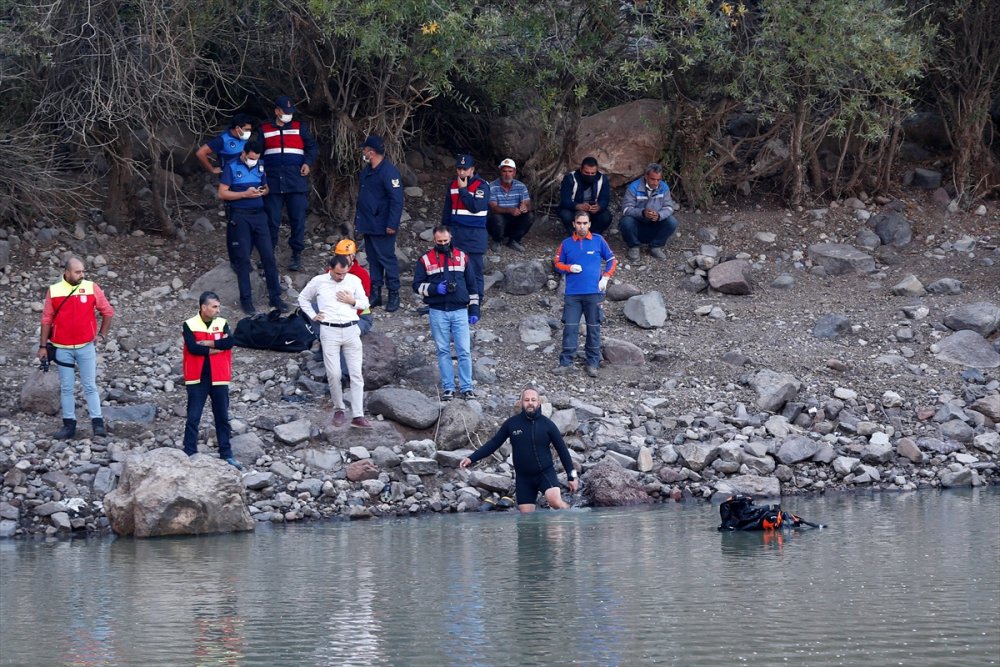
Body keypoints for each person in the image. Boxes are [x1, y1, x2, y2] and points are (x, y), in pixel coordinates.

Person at [460, 388, 578, 513]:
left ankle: (572, 520)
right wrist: (471, 458)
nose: (530, 403)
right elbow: (494, 444)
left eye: (533, 400)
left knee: (554, 501)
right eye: (527, 400)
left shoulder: (548, 425)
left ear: (539, 402)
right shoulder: (512, 424)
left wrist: (572, 477)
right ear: (521, 402)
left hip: (545, 473)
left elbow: (563, 451)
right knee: (526, 519)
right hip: (523, 478)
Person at [37, 256, 115, 439]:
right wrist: (42, 346)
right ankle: (69, 425)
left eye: (83, 271)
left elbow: (108, 311)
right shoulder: (54, 290)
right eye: (77, 271)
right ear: (67, 272)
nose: (82, 274)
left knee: (90, 385)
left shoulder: (91, 287)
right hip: (61, 348)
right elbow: (46, 319)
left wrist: (101, 335)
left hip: (86, 347)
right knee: (67, 387)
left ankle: (98, 424)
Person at [298, 255, 373, 429]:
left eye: (344, 273)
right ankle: (339, 408)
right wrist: (312, 315)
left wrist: (352, 301)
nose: (341, 277)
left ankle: (358, 414)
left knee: (356, 374)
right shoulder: (319, 281)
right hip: (329, 329)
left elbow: (365, 302)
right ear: (330, 269)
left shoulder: (353, 280)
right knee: (334, 373)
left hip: (351, 328)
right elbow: (303, 298)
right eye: (338, 273)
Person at [218, 140, 287, 315]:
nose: (253, 161)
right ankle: (246, 300)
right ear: (243, 153)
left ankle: (275, 297)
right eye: (250, 158)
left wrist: (264, 191)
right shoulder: (232, 167)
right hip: (240, 216)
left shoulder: (260, 166)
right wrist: (244, 194)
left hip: (259, 215)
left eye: (256, 158)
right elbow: (222, 193)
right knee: (242, 259)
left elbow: (267, 187)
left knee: (268, 257)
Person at [413, 226, 480, 401]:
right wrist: (435, 289)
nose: (443, 244)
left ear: (450, 238)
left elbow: (473, 286)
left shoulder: (462, 257)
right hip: (438, 311)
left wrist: (474, 309)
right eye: (439, 241)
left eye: (445, 241)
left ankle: (467, 388)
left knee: (464, 351)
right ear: (434, 240)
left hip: (459, 311)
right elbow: (417, 286)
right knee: (443, 351)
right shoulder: (425, 260)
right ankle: (448, 388)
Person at [182, 291, 242, 469]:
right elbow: (192, 348)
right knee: (193, 416)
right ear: (203, 307)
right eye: (214, 306)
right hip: (197, 377)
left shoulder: (222, 323)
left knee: (222, 417)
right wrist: (215, 348)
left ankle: (226, 453)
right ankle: (189, 452)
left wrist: (207, 344)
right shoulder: (189, 324)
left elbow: (230, 342)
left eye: (218, 306)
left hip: (219, 376)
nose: (218, 310)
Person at [553, 211, 617, 378]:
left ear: (589, 224)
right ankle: (566, 363)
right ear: (574, 224)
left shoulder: (598, 240)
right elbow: (557, 263)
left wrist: (606, 277)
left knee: (594, 328)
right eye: (579, 223)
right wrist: (569, 268)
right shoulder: (566, 243)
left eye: (585, 223)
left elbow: (612, 259)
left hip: (594, 293)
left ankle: (593, 363)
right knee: (570, 328)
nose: (582, 226)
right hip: (573, 294)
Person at [261, 95, 318, 271]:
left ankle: (296, 255)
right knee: (271, 221)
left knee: (297, 220)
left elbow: (312, 147)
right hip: (273, 183)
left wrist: (307, 163)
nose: (289, 115)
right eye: (285, 112)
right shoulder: (265, 129)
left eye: (291, 112)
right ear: (277, 111)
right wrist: (262, 179)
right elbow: (258, 155)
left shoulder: (299, 127)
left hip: (296, 182)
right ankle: (268, 255)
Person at [355, 134, 404, 312]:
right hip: (369, 223)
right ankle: (375, 294)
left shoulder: (389, 172)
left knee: (387, 259)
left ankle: (394, 293)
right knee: (373, 259)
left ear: (372, 152)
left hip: (383, 225)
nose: (363, 152)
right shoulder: (367, 171)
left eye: (365, 150)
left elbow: (397, 200)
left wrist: (392, 224)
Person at [441, 154, 489, 304]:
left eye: (465, 169)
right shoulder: (452, 185)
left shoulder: (482, 185)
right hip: (456, 233)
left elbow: (476, 207)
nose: (461, 172)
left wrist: (463, 190)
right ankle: (458, 299)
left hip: (474, 234)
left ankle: (476, 301)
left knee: (474, 270)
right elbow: (447, 210)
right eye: (459, 169)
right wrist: (443, 230)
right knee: (455, 269)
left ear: (472, 169)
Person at [619, 162, 679, 261]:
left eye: (658, 180)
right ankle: (634, 247)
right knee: (626, 221)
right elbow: (626, 209)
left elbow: (669, 207)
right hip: (637, 225)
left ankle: (655, 246)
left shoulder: (663, 187)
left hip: (654, 223)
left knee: (672, 222)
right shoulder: (634, 187)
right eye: (653, 179)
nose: (655, 183)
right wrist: (642, 212)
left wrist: (659, 215)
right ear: (646, 176)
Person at [487, 158, 533, 252]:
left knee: (530, 216)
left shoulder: (521, 186)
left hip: (514, 218)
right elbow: (493, 208)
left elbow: (528, 204)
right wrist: (509, 210)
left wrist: (525, 207)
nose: (507, 174)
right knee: (496, 218)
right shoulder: (492, 186)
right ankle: (497, 240)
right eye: (504, 171)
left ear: (514, 172)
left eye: (510, 171)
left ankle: (514, 240)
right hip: (498, 220)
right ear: (500, 172)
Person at [558, 156, 612, 235]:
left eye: (593, 173)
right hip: (574, 210)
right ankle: (575, 235)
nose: (590, 175)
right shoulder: (570, 178)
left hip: (592, 211)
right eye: (586, 173)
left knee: (606, 217)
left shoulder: (602, 179)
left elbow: (605, 199)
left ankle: (592, 235)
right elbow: (565, 200)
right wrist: (578, 206)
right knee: (565, 215)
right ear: (581, 170)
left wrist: (599, 207)